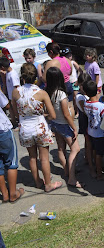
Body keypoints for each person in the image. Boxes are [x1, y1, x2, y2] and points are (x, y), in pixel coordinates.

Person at [12, 63, 63, 192]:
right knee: (44, 157)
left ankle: (38, 181)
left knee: (32, 157)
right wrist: (43, 115)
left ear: (22, 77)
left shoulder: (15, 92)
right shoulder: (41, 93)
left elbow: (15, 112)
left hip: (25, 128)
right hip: (40, 127)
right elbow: (52, 115)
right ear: (35, 77)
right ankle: (48, 184)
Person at [46, 67, 82, 188]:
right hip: (64, 125)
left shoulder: (48, 92)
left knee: (61, 149)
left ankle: (67, 171)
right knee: (75, 149)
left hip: (55, 124)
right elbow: (66, 114)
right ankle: (72, 178)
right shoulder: (61, 94)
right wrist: (74, 128)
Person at [0, 88, 24, 203]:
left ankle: (5, 194)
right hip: (2, 130)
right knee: (11, 162)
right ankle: (13, 193)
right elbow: (6, 105)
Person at [83, 80, 104, 181]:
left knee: (94, 151)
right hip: (99, 133)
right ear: (98, 91)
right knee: (99, 154)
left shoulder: (86, 103)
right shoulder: (101, 106)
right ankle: (99, 174)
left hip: (91, 131)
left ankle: (95, 168)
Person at [43, 42, 74, 110]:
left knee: (58, 110)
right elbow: (70, 73)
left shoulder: (51, 63)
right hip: (68, 85)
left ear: (51, 52)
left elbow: (44, 79)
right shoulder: (67, 60)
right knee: (70, 107)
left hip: (57, 88)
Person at [76, 73, 96, 177]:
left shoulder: (87, 95)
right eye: (82, 86)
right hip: (85, 120)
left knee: (89, 142)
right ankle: (90, 164)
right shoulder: (80, 97)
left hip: (89, 120)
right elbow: (86, 111)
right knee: (88, 143)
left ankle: (88, 158)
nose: (84, 88)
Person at [61, 47, 82, 119]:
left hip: (74, 82)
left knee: (76, 98)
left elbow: (80, 71)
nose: (68, 57)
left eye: (69, 55)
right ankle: (72, 111)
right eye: (66, 56)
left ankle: (78, 112)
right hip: (68, 83)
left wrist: (78, 80)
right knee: (69, 99)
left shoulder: (73, 63)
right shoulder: (63, 63)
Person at [0, 57, 19, 127]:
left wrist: (15, 97)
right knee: (12, 110)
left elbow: (17, 87)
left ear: (2, 67)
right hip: (10, 96)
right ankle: (14, 123)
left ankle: (18, 124)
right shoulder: (8, 73)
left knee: (16, 111)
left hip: (14, 97)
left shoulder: (12, 74)